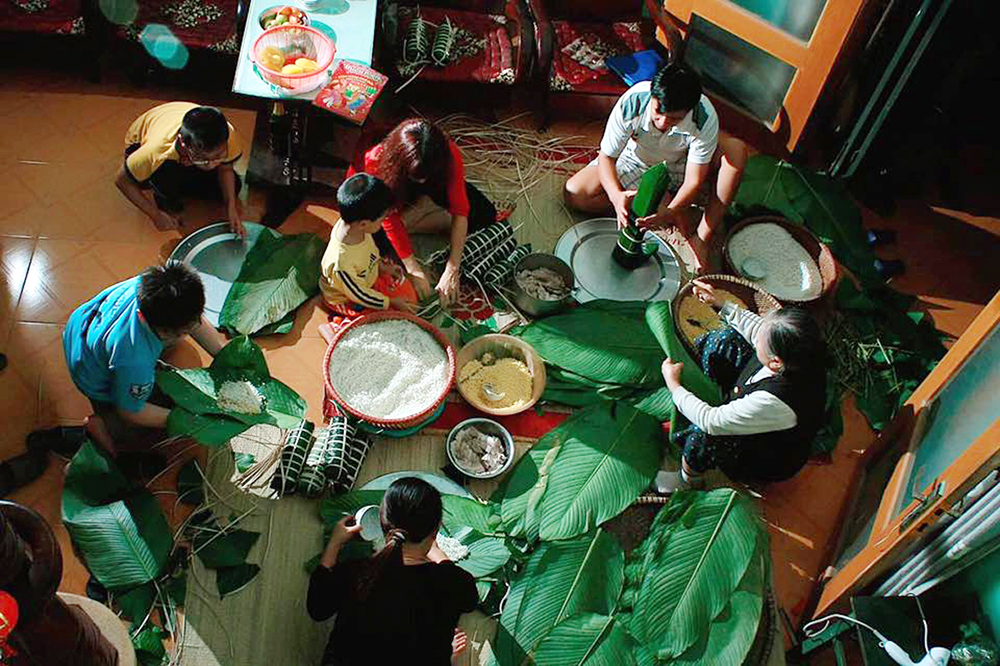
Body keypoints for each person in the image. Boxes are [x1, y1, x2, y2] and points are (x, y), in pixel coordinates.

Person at [564, 65, 748, 271]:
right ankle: (653, 205)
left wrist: (670, 211)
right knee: (575, 193)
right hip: (637, 160)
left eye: (675, 118)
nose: (663, 122)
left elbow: (693, 180)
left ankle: (701, 237)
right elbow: (607, 157)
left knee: (736, 152)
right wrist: (616, 196)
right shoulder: (633, 101)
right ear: (652, 94)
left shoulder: (703, 116)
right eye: (658, 112)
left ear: (689, 110)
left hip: (681, 165)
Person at [656, 280, 827, 490]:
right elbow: (760, 330)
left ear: (775, 362)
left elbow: (711, 421)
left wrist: (674, 386)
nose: (758, 337)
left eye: (762, 342)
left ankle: (688, 479)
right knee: (726, 340)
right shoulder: (801, 356)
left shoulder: (775, 400)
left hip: (762, 453)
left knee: (705, 435)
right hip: (753, 392)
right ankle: (706, 390)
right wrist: (719, 304)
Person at [55, 264, 226, 457]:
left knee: (178, 348)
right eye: (180, 331)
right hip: (90, 371)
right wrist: (185, 420)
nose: (190, 330)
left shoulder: (154, 289)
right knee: (141, 434)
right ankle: (102, 428)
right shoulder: (134, 358)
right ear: (143, 319)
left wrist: (223, 353)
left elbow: (193, 319)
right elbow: (131, 411)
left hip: (83, 326)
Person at [308, 477, 478, 666]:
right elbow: (469, 601)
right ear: (436, 529)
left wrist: (335, 543)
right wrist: (439, 555)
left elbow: (318, 609)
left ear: (381, 522)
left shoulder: (354, 573)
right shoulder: (453, 582)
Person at [347, 118, 497, 306]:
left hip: (416, 175)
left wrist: (452, 269)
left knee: (486, 215)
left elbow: (461, 210)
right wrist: (413, 269)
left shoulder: (447, 154)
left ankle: (413, 219)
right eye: (419, 177)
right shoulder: (376, 160)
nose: (423, 181)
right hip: (389, 185)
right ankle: (413, 219)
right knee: (375, 242)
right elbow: (389, 219)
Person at [115, 103, 246, 237]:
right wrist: (155, 215)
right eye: (204, 159)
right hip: (142, 141)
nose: (212, 166)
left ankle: (189, 171)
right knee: (167, 189)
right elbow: (121, 180)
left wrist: (231, 208)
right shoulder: (156, 151)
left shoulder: (227, 137)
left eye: (219, 156)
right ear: (183, 144)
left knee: (235, 186)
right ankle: (163, 192)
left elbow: (226, 169)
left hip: (185, 145)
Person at [316, 174, 420, 342]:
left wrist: (382, 267)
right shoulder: (340, 262)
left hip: (366, 279)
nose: (383, 223)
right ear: (364, 223)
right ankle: (336, 328)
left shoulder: (357, 229)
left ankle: (386, 304)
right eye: (381, 220)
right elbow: (359, 295)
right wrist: (390, 302)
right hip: (346, 297)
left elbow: (370, 253)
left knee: (408, 299)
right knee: (382, 320)